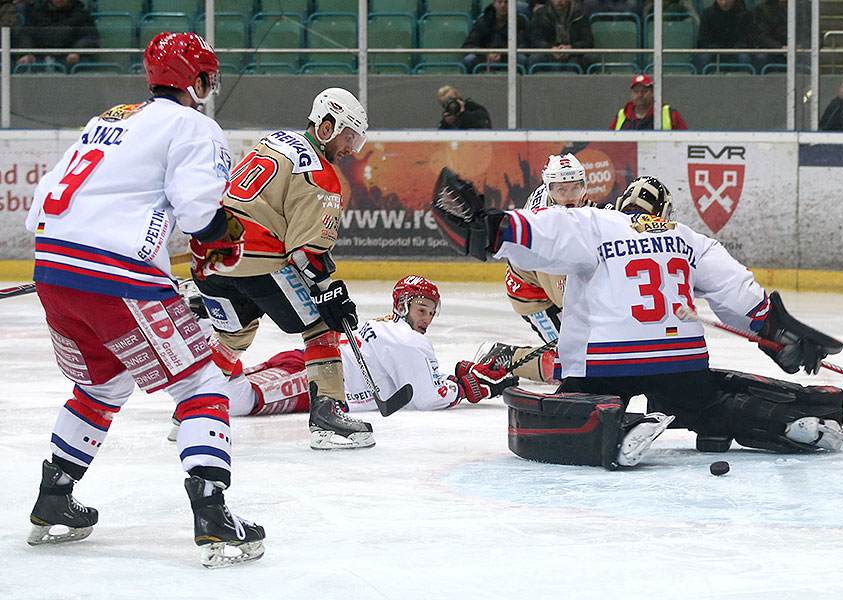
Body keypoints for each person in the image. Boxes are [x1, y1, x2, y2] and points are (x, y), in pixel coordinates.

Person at [22, 32, 264, 567]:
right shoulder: (194, 125)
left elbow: (42, 204)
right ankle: (212, 514)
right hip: (117, 277)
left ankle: (54, 496)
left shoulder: (108, 118)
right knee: (201, 381)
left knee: (101, 382)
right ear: (197, 79)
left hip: (53, 269)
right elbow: (200, 213)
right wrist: (224, 234)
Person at [433, 173, 843, 464]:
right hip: (678, 362)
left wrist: (492, 228)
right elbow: (738, 295)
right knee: (709, 405)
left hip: (604, 361)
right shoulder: (687, 237)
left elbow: (544, 232)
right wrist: (775, 333)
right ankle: (791, 422)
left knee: (565, 409)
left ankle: (621, 427)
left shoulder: (597, 222)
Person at [191, 87, 376, 450]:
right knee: (321, 323)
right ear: (326, 126)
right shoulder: (322, 174)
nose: (352, 148)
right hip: (255, 259)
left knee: (233, 335)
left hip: (209, 260)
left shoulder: (275, 141)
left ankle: (192, 411)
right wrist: (330, 294)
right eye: (349, 136)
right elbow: (307, 255)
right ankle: (328, 418)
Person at [182, 276, 518, 420]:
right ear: (403, 305)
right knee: (236, 401)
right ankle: (206, 325)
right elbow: (426, 399)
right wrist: (465, 388)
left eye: (431, 312)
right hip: (313, 379)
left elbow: (405, 380)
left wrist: (453, 378)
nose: (427, 318)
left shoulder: (387, 325)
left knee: (214, 388)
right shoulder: (410, 340)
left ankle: (200, 330)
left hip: (305, 360)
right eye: (421, 310)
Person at [476, 153, 593, 384]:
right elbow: (567, 298)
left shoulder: (563, 203)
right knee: (571, 364)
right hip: (533, 294)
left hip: (544, 281)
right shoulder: (547, 229)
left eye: (575, 188)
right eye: (562, 190)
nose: (570, 197)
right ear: (550, 189)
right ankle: (504, 357)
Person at [15, 0, 98, 72]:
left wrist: (76, 51)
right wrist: (28, 53)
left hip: (68, 59)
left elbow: (89, 36)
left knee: (79, 65)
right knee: (24, 67)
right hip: (40, 58)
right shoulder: (37, 13)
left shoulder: (82, 15)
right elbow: (27, 34)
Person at [526, 0, 595, 73]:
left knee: (587, 59)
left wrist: (571, 48)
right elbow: (536, 40)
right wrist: (551, 48)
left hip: (574, 53)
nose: (559, 1)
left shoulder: (580, 14)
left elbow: (588, 41)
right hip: (549, 52)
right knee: (535, 58)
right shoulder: (541, 14)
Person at [462, 0, 529, 74]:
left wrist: (503, 55)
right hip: (484, 57)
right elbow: (469, 45)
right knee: (469, 60)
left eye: (506, 2)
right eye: (500, 2)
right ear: (494, 4)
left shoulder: (519, 22)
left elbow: (523, 45)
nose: (503, 5)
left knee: (522, 59)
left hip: (509, 57)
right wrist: (487, 54)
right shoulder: (483, 21)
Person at [694, 0, 755, 74]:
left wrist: (736, 49)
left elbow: (748, 40)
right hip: (713, 51)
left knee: (745, 58)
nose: (723, 2)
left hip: (737, 51)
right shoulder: (707, 14)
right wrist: (716, 49)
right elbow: (703, 40)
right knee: (702, 58)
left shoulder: (746, 15)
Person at [609, 74, 688, 130]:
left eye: (644, 91)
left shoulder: (670, 114)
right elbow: (608, 144)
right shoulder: (621, 115)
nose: (640, 95)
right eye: (636, 91)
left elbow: (684, 142)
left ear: (652, 92)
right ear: (631, 93)